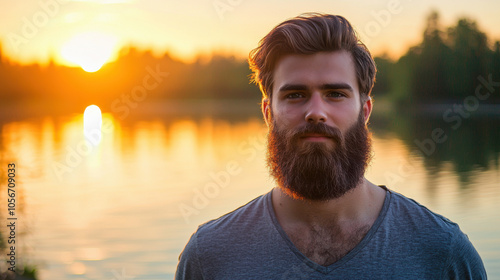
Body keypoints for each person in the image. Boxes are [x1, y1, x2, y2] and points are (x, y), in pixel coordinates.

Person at [175, 13, 486, 279]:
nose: (316, 112)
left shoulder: (441, 252)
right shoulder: (211, 256)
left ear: (365, 111)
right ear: (268, 112)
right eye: (295, 94)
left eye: (335, 93)